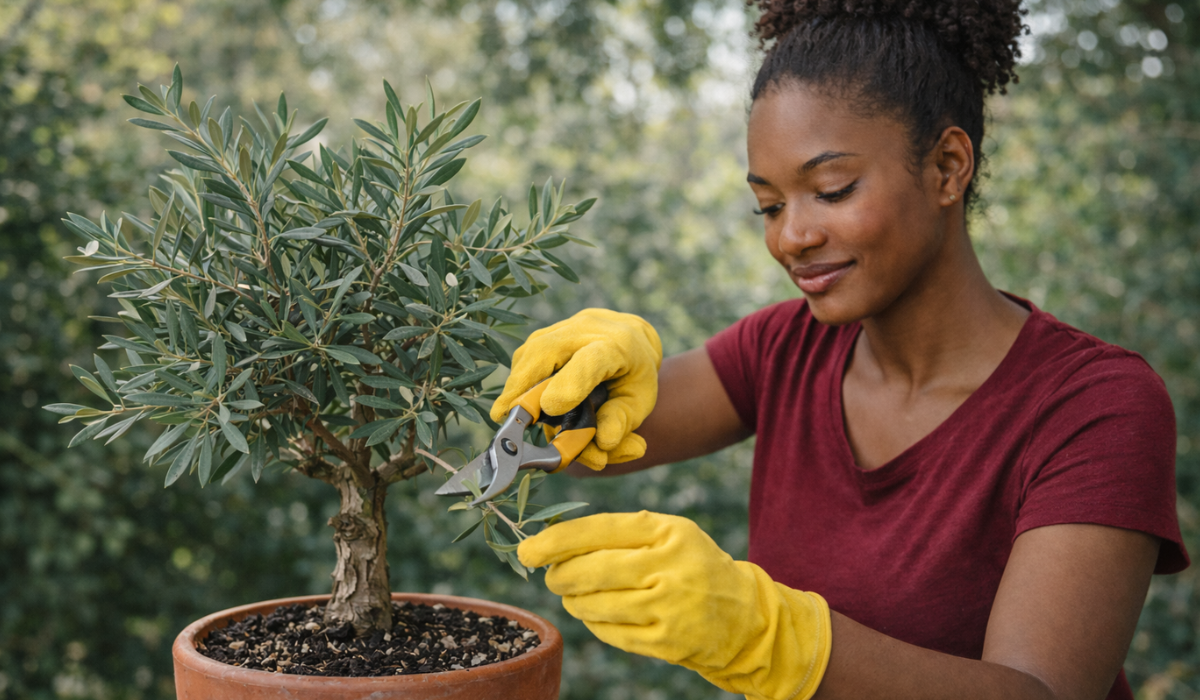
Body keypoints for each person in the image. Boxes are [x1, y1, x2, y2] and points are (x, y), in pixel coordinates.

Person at [491, 2, 1189, 698]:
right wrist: (573, 388)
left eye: (831, 190)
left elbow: (1042, 691)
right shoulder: (785, 349)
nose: (790, 237)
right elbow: (578, 442)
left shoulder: (1093, 405)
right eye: (768, 205)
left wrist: (781, 643)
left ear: (948, 167)